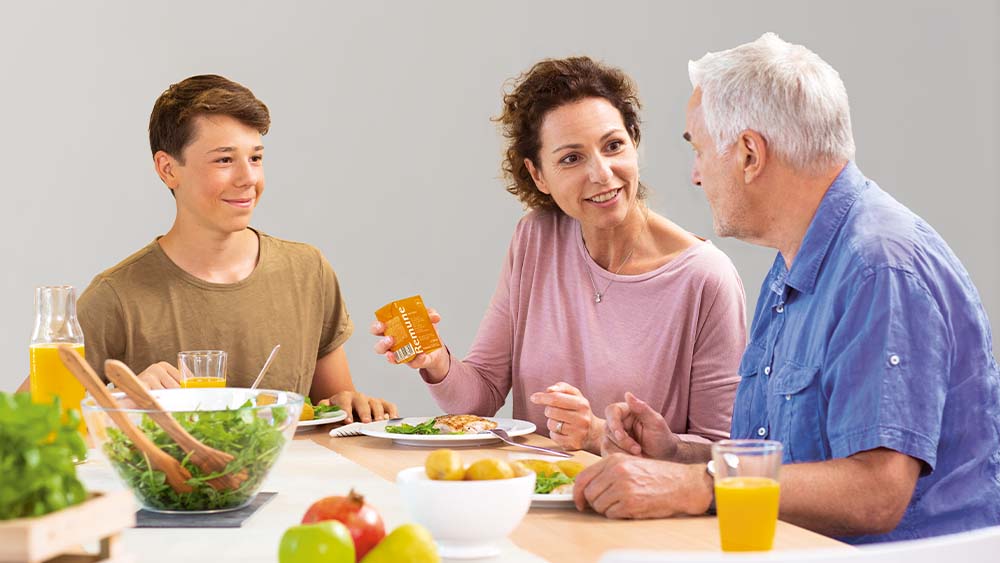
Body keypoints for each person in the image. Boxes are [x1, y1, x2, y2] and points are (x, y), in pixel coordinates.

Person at [575, 33, 1000, 543]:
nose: (695, 176)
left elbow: (876, 492)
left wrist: (690, 486)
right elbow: (792, 467)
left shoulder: (878, 268)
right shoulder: (796, 262)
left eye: (701, 150)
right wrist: (677, 456)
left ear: (750, 154)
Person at [372, 57, 747, 453]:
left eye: (613, 145)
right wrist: (436, 362)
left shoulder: (705, 277)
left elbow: (720, 454)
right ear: (538, 176)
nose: (602, 174)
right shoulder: (536, 239)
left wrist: (601, 435)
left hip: (640, 511)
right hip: (535, 498)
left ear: (634, 143)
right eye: (571, 158)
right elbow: (479, 398)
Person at [68, 75, 395, 423]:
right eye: (224, 160)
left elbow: (330, 410)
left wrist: (348, 404)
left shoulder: (307, 271)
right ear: (168, 169)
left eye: (255, 158)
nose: (248, 178)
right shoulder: (116, 296)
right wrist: (119, 400)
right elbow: (24, 430)